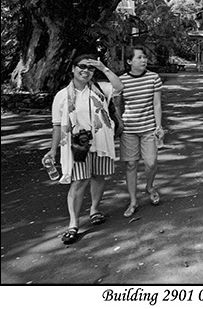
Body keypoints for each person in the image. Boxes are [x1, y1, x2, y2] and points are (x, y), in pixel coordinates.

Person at [46, 54, 124, 244]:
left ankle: (94, 210)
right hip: (77, 145)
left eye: (90, 68)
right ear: (73, 68)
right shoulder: (62, 96)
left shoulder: (100, 88)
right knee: (79, 181)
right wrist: (52, 150)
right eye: (82, 66)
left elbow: (120, 87)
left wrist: (103, 67)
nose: (86, 71)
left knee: (98, 176)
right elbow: (57, 125)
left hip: (101, 142)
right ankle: (73, 224)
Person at [119, 46, 164, 217]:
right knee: (131, 164)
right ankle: (133, 201)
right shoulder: (121, 80)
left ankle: (149, 186)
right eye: (139, 57)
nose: (144, 60)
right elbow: (117, 104)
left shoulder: (153, 78)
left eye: (145, 57)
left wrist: (158, 126)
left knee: (151, 162)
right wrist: (120, 124)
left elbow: (157, 104)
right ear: (129, 61)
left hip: (148, 127)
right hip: (129, 129)